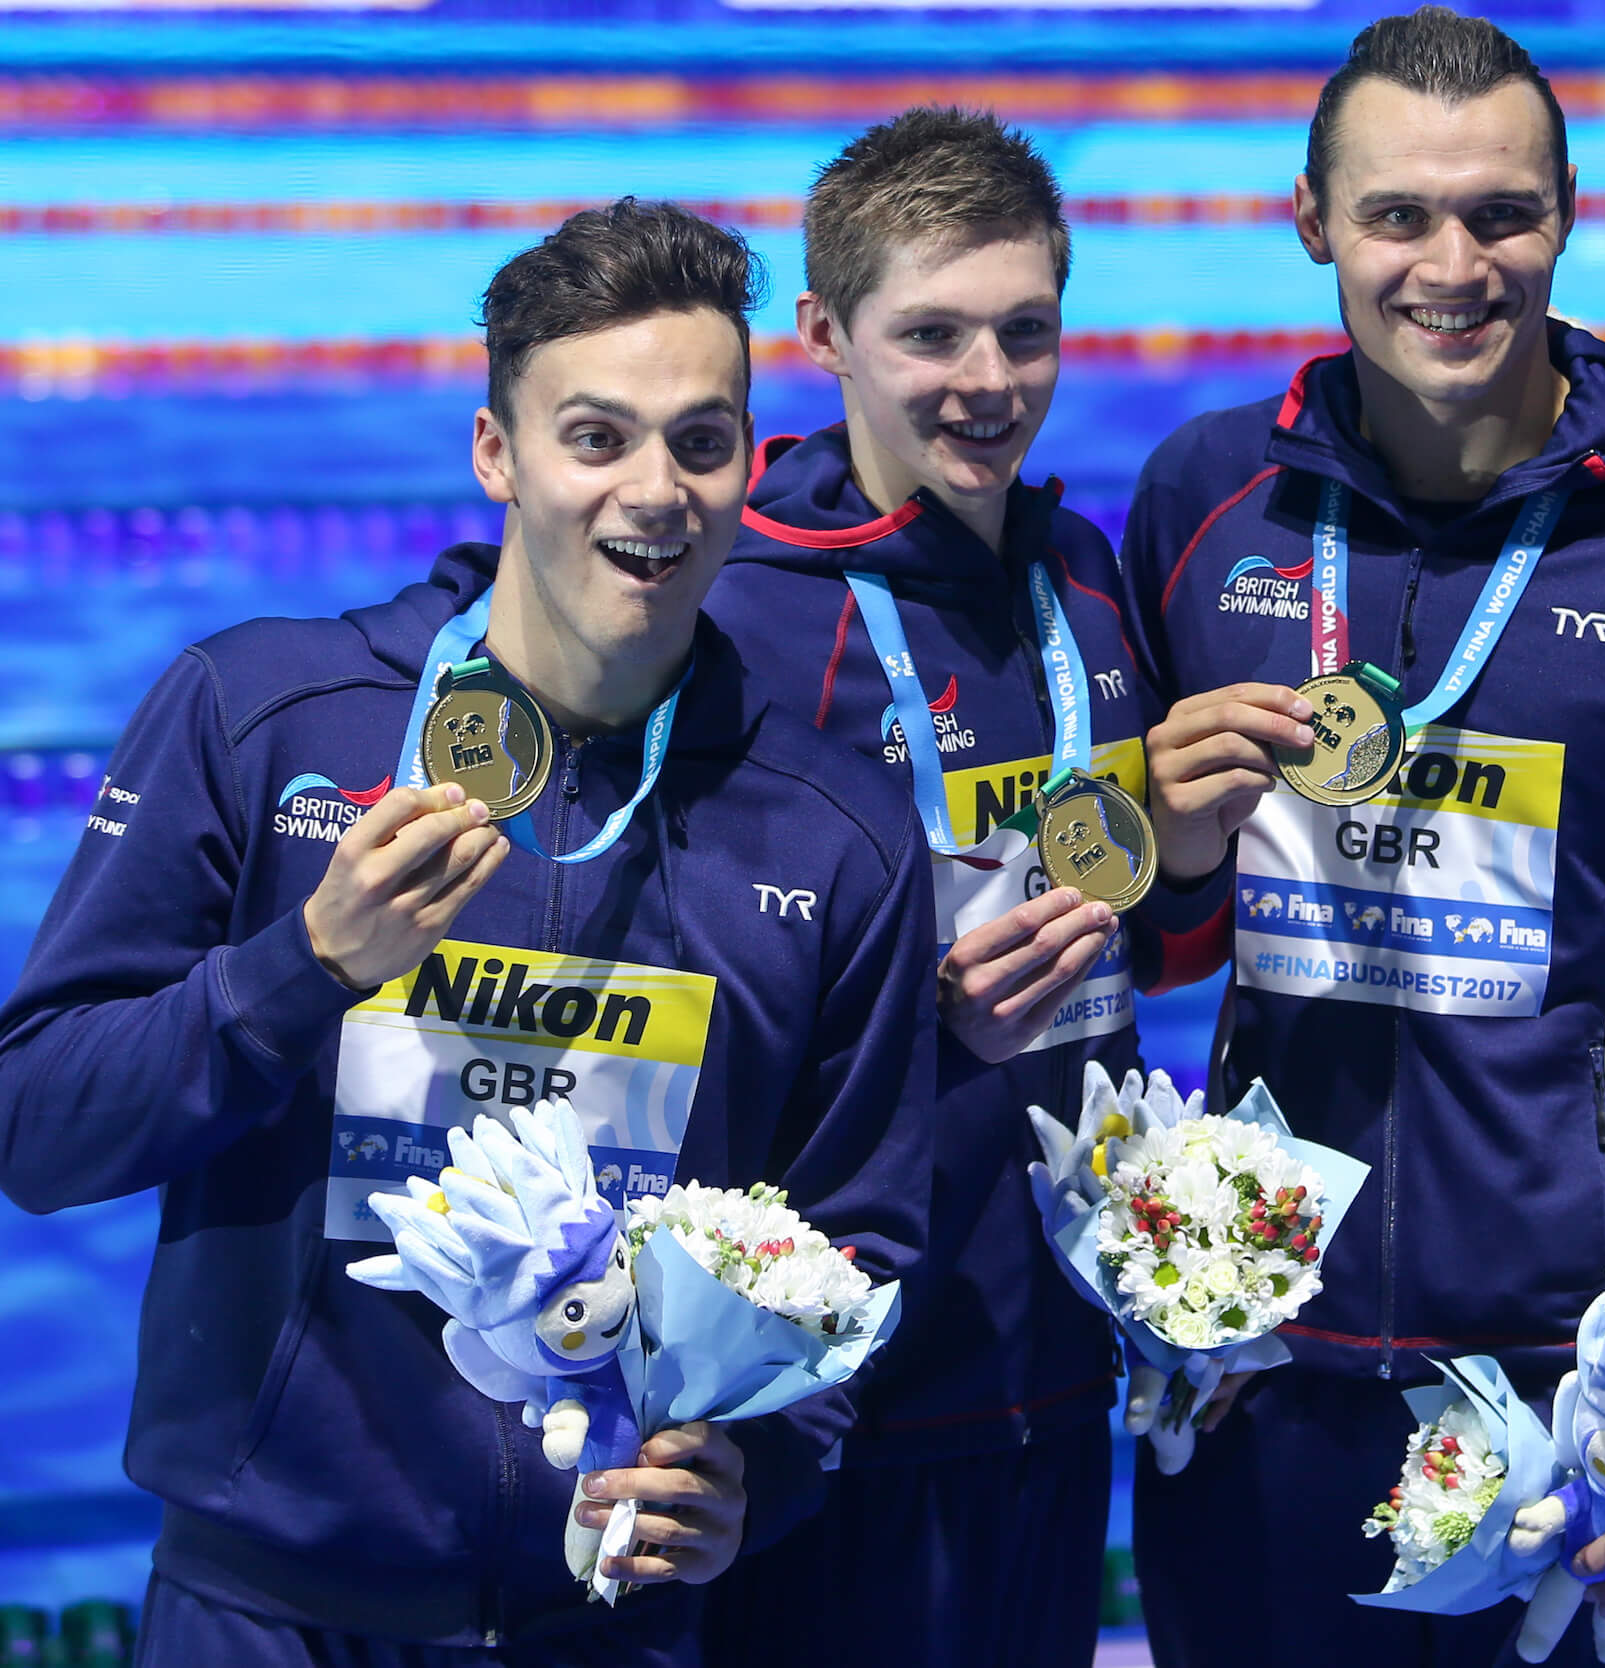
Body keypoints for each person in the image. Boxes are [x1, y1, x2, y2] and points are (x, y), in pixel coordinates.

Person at [0, 199, 936, 1665]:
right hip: (275, 1612)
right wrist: (297, 970)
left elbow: (857, 1240)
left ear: (752, 466)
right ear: (496, 452)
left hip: (612, 1621)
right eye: (596, 436)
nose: (657, 489)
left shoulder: (832, 831)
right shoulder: (265, 720)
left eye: (702, 441)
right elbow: (37, 1127)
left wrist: (772, 1465)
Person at [1114, 10, 1605, 1662]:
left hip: (1592, 1426)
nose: (1452, 265)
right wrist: (1162, 857)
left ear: (1570, 213)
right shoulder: (1204, 506)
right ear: (1311, 219)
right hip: (1259, 1387)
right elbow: (1154, 943)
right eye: (1398, 215)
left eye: (1501, 215)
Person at [427, 111, 1162, 1667]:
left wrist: (1196, 859)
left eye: (1026, 330)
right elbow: (632, 978)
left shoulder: (1080, 578)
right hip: (816, 1401)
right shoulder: (732, 605)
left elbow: (1136, 927)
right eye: (932, 333)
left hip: (1050, 1351)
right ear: (824, 336)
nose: (988, 378)